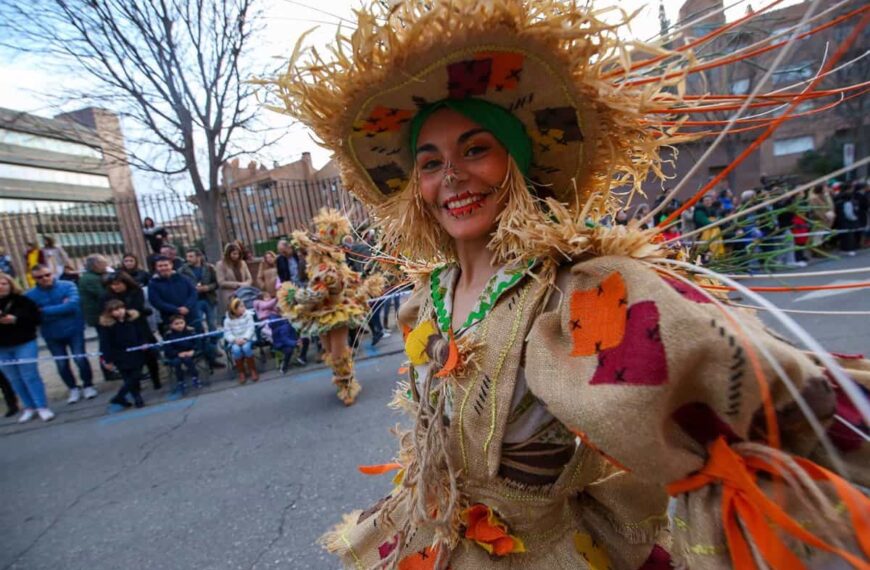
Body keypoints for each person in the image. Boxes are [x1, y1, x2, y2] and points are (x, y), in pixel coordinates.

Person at [266, 2, 870, 568]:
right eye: (430, 162)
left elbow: (734, 385)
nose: (451, 176)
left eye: (475, 149)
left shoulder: (573, 294)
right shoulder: (425, 299)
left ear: (518, 162)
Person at [276, 209, 384, 406]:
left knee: (338, 353)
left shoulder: (330, 266)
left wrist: (293, 296)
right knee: (329, 352)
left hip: (337, 312)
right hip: (321, 312)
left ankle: (347, 387)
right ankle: (342, 380)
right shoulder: (319, 265)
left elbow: (319, 292)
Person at [26, 264, 97, 403]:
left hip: (74, 329)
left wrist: (43, 310)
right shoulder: (30, 295)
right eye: (39, 277)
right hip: (51, 333)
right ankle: (73, 388)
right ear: (34, 279)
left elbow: (72, 305)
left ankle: (88, 385)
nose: (44, 278)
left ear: (52, 273)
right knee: (61, 363)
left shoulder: (68, 285)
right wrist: (61, 307)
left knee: (80, 359)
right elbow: (33, 315)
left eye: (47, 275)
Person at [149, 256, 224, 368]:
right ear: (156, 268)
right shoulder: (153, 283)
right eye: (160, 266)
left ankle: (211, 361)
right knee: (176, 344)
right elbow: (156, 301)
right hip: (171, 318)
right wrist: (176, 310)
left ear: (171, 265)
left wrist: (187, 306)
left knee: (202, 339)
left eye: (166, 265)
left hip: (191, 314)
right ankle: (186, 367)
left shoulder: (182, 278)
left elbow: (193, 292)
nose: (164, 268)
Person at [0, 272, 53, 422]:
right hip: (2, 347)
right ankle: (29, 407)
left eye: (4, 283)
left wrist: (15, 319)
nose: (1, 287)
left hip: (24, 342)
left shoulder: (23, 300)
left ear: (10, 284)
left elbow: (36, 319)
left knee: (30, 375)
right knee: (14, 378)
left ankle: (41, 406)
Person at [101, 272, 162, 389]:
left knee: (150, 356)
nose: (115, 287)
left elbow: (138, 307)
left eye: (118, 284)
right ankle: (134, 386)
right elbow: (105, 312)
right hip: (119, 330)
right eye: (112, 285)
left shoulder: (135, 291)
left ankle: (156, 380)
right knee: (129, 361)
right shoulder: (106, 296)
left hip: (139, 326)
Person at [98, 300, 146, 409]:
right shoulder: (107, 326)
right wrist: (107, 360)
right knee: (128, 377)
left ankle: (119, 397)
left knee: (136, 376)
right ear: (110, 313)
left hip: (135, 352)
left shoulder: (132, 319)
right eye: (115, 310)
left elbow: (140, 333)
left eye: (120, 308)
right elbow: (105, 343)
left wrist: (143, 342)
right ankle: (137, 398)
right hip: (119, 355)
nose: (119, 311)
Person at [254, 291, 298, 373]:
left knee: (287, 344)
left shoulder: (272, 307)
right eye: (266, 297)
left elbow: (280, 312)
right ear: (261, 299)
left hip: (277, 325)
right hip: (266, 327)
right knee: (282, 342)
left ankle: (285, 361)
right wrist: (276, 299)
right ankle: (286, 354)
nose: (269, 298)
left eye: (269, 296)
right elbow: (266, 305)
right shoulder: (258, 303)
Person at [161, 314, 201, 398]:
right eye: (176, 324)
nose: (180, 325)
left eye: (181, 323)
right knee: (176, 362)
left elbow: (197, 343)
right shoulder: (168, 335)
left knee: (188, 360)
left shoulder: (191, 331)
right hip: (175, 354)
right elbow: (167, 349)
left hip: (189, 352)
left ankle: (195, 377)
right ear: (171, 325)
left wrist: (193, 351)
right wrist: (177, 353)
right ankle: (180, 381)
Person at [223, 297, 258, 384]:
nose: (244, 308)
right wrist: (234, 340)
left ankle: (252, 369)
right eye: (241, 306)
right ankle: (241, 372)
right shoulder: (227, 320)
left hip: (248, 338)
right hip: (235, 340)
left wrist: (245, 338)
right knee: (236, 349)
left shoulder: (248, 316)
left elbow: (251, 329)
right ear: (234, 309)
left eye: (244, 306)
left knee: (246, 348)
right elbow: (227, 333)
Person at [215, 243, 252, 314]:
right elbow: (221, 282)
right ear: (228, 254)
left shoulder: (242, 263)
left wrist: (246, 284)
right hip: (230, 295)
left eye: (238, 254)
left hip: (243, 294)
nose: (236, 256)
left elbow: (249, 278)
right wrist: (238, 284)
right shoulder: (221, 264)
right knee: (234, 314)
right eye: (234, 254)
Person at [78, 254, 109, 328]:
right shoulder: (90, 279)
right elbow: (104, 295)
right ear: (96, 265)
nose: (106, 265)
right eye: (104, 263)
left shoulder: (95, 276)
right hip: (99, 315)